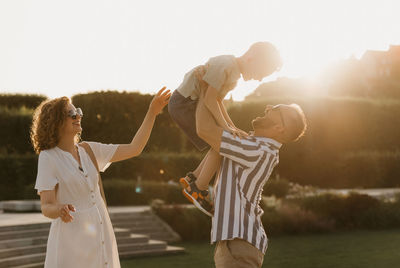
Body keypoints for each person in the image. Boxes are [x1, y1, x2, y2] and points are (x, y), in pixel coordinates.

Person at [30, 87, 170, 268]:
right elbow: (46, 206)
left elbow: (134, 148)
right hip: (71, 243)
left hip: (101, 235)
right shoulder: (49, 157)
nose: (78, 115)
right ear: (56, 122)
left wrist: (152, 112)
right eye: (71, 113)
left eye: (78, 111)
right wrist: (60, 209)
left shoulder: (90, 150)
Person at [168, 42, 282, 216]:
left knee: (222, 141)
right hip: (184, 103)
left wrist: (231, 127)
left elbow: (218, 102)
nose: (259, 79)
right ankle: (199, 187)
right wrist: (226, 127)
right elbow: (209, 100)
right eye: (260, 73)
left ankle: (194, 178)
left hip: (190, 102)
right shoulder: (226, 66)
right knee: (222, 142)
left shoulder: (234, 75)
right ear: (251, 58)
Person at [195, 93, 307, 267]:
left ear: (279, 128)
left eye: (276, 109)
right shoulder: (255, 146)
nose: (268, 106)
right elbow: (225, 127)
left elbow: (204, 129)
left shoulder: (258, 151)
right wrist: (215, 94)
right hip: (237, 244)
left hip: (239, 245)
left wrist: (205, 90)